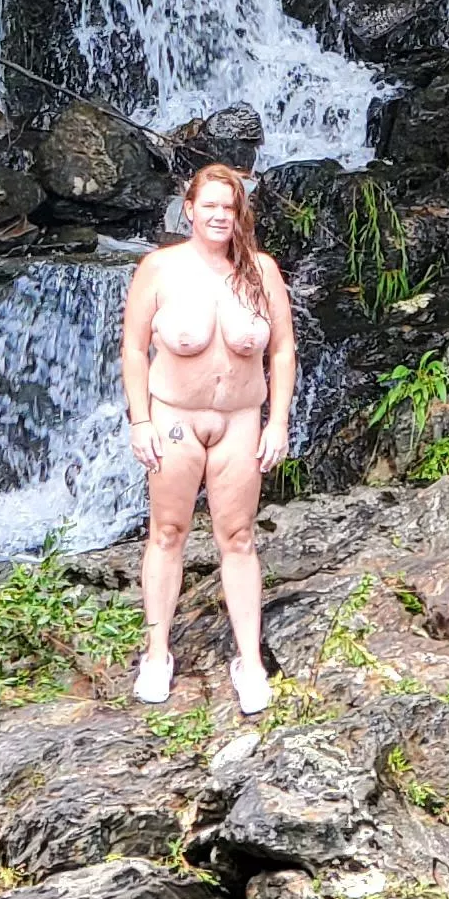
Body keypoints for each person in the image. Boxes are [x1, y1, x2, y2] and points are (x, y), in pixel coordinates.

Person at [118, 160, 296, 715]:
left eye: (230, 206)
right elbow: (132, 348)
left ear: (240, 212)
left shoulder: (260, 271)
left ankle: (249, 660)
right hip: (175, 417)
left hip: (241, 419)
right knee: (167, 531)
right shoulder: (159, 268)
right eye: (209, 206)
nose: (220, 215)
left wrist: (279, 422)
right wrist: (140, 420)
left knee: (238, 536)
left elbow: (282, 350)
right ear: (190, 210)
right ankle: (156, 654)